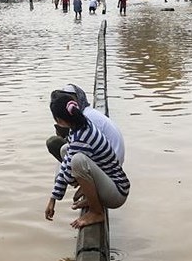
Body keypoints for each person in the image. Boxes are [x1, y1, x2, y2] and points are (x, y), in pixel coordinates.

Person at [45, 93, 130, 228]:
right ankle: (93, 200)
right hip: (112, 184)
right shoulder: (81, 125)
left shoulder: (81, 137)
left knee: (77, 161)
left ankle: (96, 212)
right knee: (65, 150)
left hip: (117, 193)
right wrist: (53, 198)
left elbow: (68, 173)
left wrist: (55, 197)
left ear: (59, 121)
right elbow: (66, 160)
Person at [45, 84, 126, 166]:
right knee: (65, 149)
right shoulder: (87, 114)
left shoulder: (86, 119)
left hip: (109, 166)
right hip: (110, 161)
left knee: (54, 143)